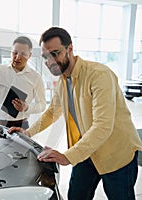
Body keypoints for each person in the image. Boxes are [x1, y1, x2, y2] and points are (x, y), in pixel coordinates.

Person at [8, 27, 142, 200]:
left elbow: (102, 126)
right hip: (86, 150)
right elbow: (52, 112)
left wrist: (67, 156)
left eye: (55, 53)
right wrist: (28, 132)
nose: (50, 61)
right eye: (45, 57)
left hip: (116, 153)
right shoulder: (63, 81)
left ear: (69, 49)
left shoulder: (99, 75)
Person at [0, 36, 46, 129]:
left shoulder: (36, 78)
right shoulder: (0, 70)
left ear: (29, 55)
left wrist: (27, 107)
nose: (18, 57)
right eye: (15, 53)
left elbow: (42, 105)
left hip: (20, 126)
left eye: (23, 54)